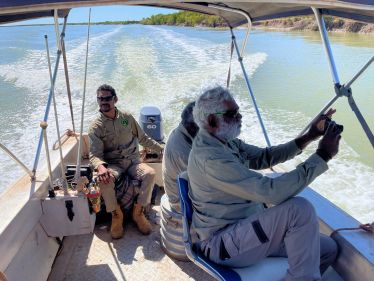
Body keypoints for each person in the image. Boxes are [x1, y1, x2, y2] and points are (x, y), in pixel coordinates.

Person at [188, 86, 341, 281]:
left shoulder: (224, 141)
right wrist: (323, 155)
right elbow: (272, 192)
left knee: (328, 249)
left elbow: (264, 157)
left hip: (246, 229)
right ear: (212, 121)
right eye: (232, 114)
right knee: (299, 209)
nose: (240, 116)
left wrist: (309, 136)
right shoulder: (211, 158)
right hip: (223, 242)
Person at [89, 84, 163, 239]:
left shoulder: (127, 118)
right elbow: (94, 154)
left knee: (150, 173)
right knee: (104, 180)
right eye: (100, 98)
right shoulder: (96, 127)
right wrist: (101, 167)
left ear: (115, 99)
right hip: (114, 165)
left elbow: (143, 138)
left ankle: (138, 212)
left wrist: (161, 149)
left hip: (133, 162)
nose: (103, 101)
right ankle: (117, 215)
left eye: (107, 98)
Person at [162, 102, 198, 212]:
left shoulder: (181, 131)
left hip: (189, 191)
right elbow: (205, 187)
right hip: (182, 204)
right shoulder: (183, 153)